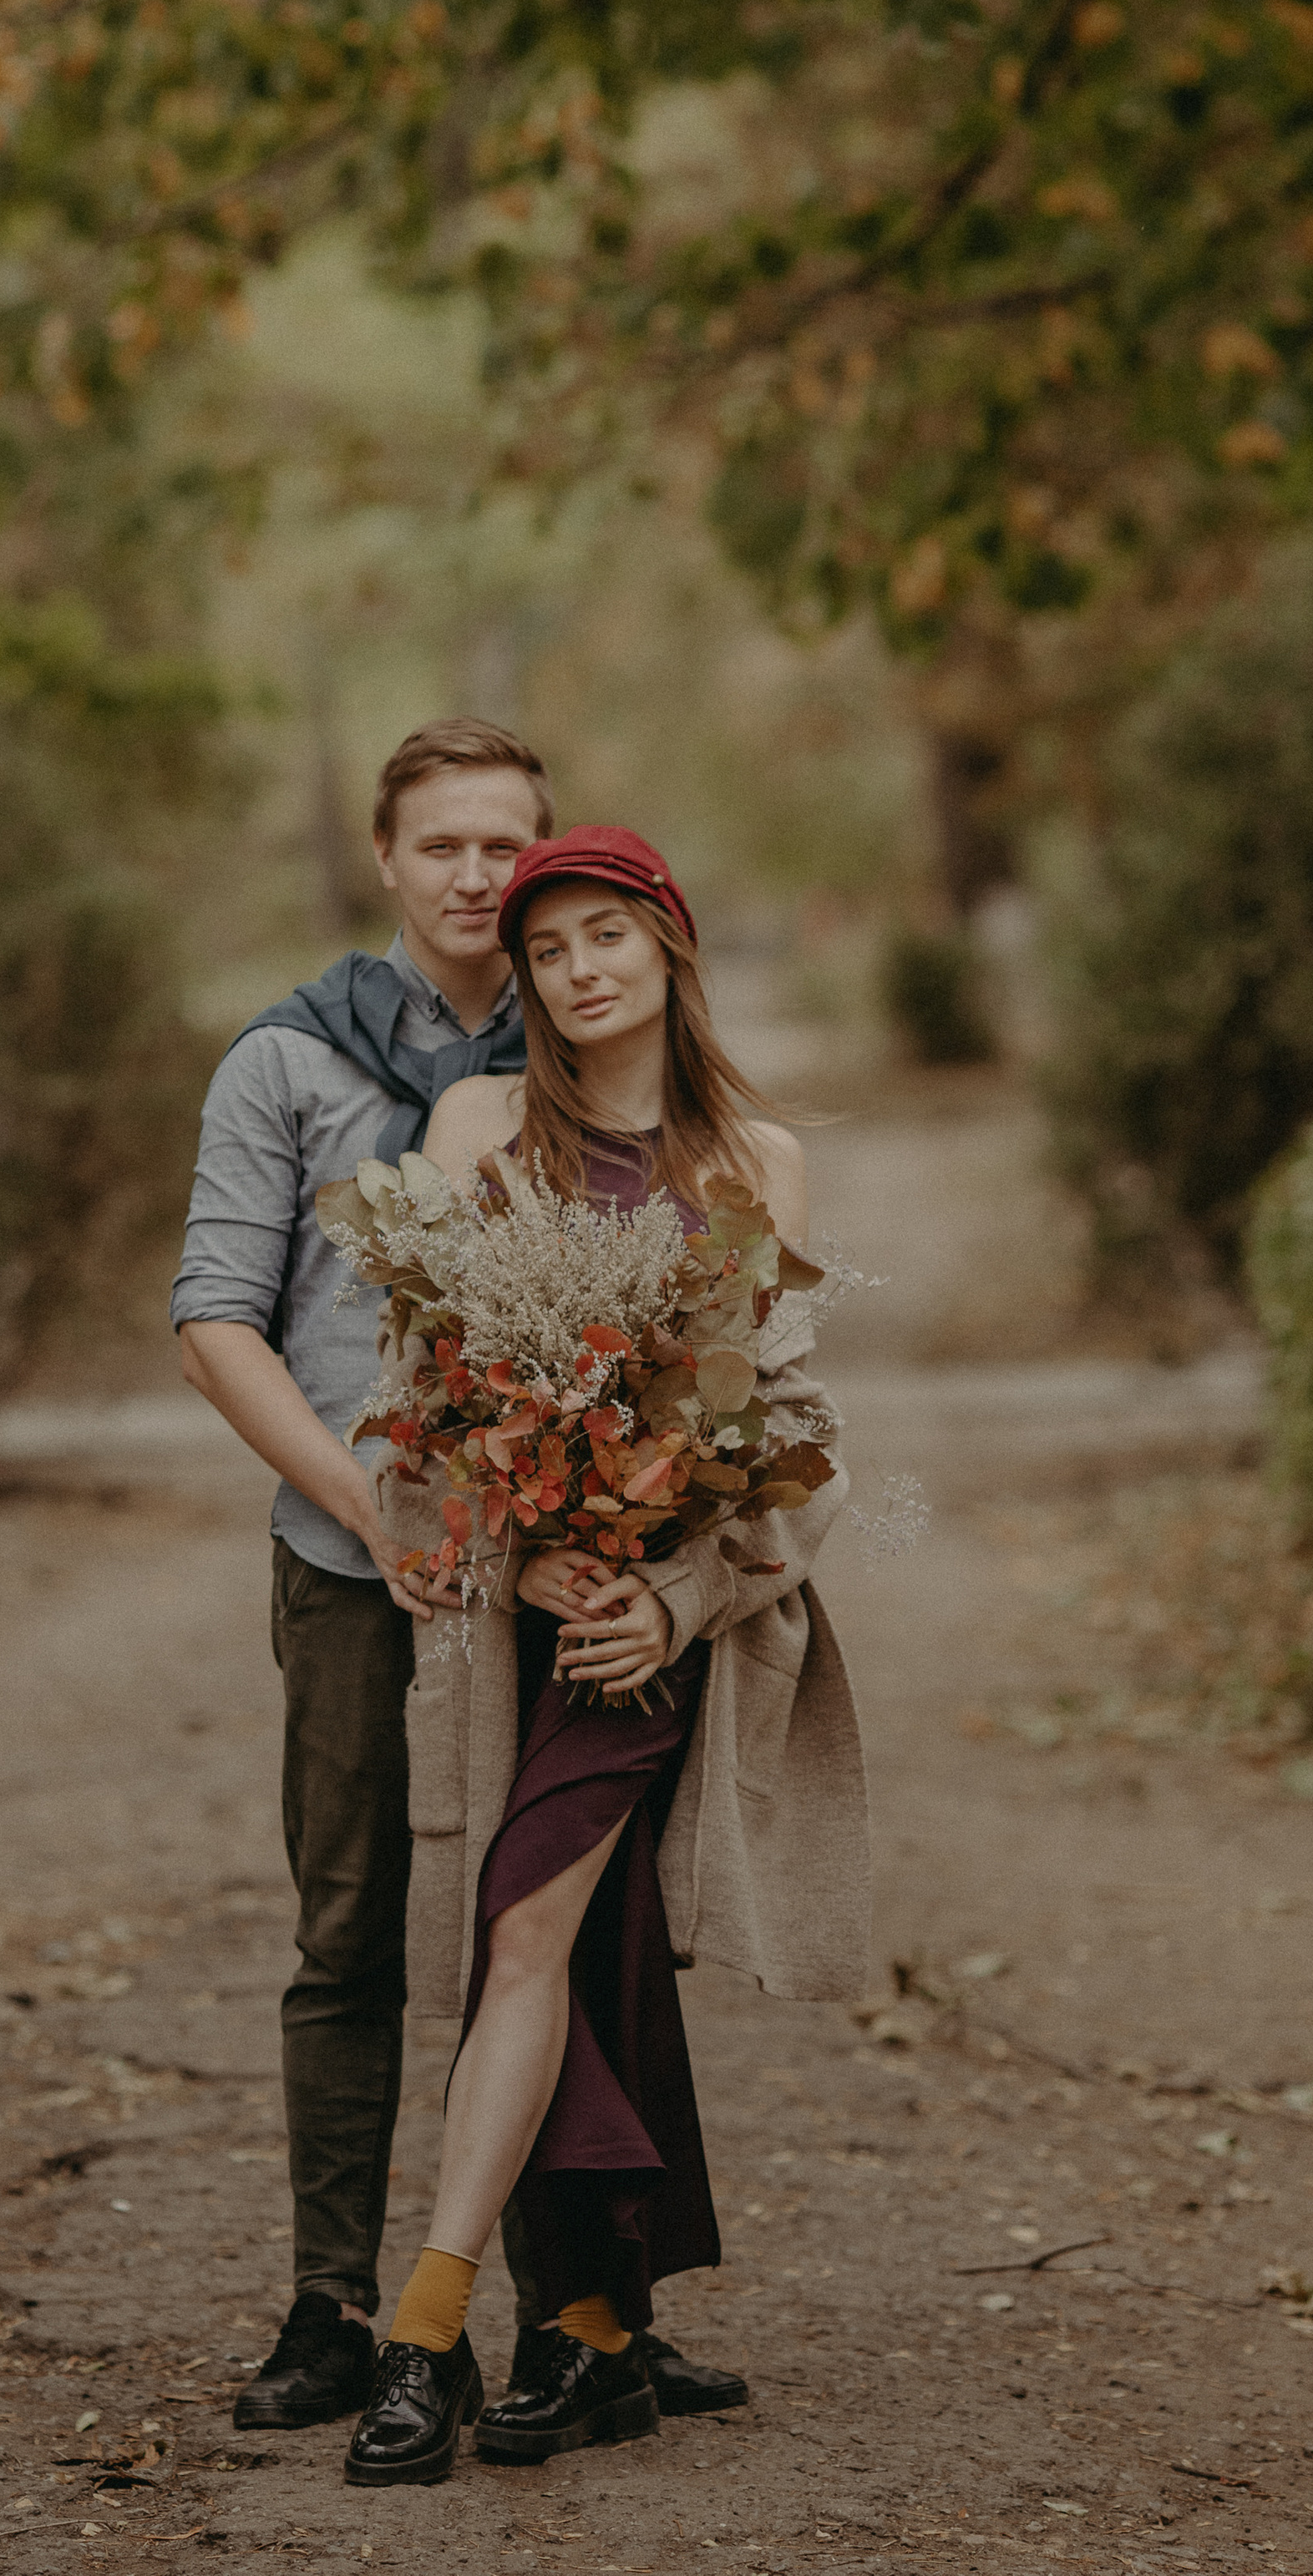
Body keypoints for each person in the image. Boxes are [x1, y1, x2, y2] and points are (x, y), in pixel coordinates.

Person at [172, 737, 745, 2439]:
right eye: (443, 844)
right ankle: (335, 2307)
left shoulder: (576, 1032)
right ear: (384, 856)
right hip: (364, 1566)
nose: (481, 877)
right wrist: (372, 1506)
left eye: (511, 842)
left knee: (563, 1929)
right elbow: (216, 1320)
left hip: (561, 1577)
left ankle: (586, 2314)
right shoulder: (287, 1062)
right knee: (357, 1929)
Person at [338, 825, 871, 2488]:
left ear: (666, 947)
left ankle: (424, 2333)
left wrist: (683, 1599)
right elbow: (427, 1389)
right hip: (528, 1620)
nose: (573, 970)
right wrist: (521, 1536)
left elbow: (790, 1432)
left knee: (527, 1929)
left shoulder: (748, 1160)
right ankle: (592, 2328)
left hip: (654, 1639)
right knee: (583, 1943)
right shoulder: (481, 1128)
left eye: (601, 936)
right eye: (543, 947)